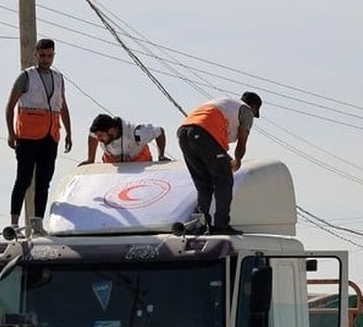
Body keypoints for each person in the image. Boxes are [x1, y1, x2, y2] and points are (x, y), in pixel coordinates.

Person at [5, 38, 72, 226]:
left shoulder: (58, 78)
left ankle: (37, 223)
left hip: (51, 136)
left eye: (49, 56)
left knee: (44, 182)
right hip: (27, 137)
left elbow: (63, 106)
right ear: (36, 55)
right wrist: (11, 132)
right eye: (42, 55)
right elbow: (10, 105)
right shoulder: (26, 77)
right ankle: (14, 223)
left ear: (54, 55)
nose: (46, 59)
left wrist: (69, 132)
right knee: (24, 179)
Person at [176, 92, 261, 233]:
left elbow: (213, 147)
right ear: (254, 107)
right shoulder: (246, 110)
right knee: (224, 179)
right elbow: (242, 141)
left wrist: (227, 160)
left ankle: (200, 224)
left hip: (184, 134)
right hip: (204, 132)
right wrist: (238, 160)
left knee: (204, 184)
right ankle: (221, 225)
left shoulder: (223, 104)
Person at [82, 114, 170, 165]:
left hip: (140, 164)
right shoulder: (98, 134)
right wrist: (90, 159)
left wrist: (161, 156)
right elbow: (92, 136)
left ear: (111, 130)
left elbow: (159, 132)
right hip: (114, 164)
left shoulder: (136, 132)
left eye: (100, 136)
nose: (98, 139)